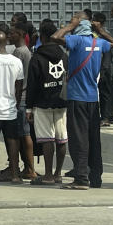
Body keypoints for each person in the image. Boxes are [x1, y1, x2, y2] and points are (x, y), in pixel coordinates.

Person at [51, 13, 113, 190]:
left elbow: (55, 37)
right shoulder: (99, 43)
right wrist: (100, 30)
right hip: (93, 99)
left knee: (79, 139)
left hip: (77, 97)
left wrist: (70, 26)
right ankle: (95, 178)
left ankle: (81, 178)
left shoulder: (76, 41)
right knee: (93, 139)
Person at [26, 20, 68, 184]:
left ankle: (48, 175)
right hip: (61, 102)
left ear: (42, 37)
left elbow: (32, 85)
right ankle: (58, 174)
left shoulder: (36, 58)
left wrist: (29, 108)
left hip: (42, 103)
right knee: (61, 137)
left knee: (47, 138)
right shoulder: (64, 55)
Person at [0, 31, 24, 183]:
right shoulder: (16, 61)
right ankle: (15, 174)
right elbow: (19, 86)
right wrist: (15, 102)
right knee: (12, 140)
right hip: (10, 108)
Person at [8, 24, 38, 180]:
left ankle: (30, 169)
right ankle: (27, 167)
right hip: (23, 97)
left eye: (12, 33)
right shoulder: (24, 51)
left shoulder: (20, 52)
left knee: (23, 134)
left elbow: (16, 79)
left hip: (21, 98)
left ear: (20, 34)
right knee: (22, 134)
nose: (9, 36)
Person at [92, 12, 113, 125]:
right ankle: (102, 116)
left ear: (99, 23)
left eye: (94, 20)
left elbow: (107, 54)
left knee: (105, 94)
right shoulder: (94, 34)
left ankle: (106, 117)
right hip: (98, 68)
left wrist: (103, 70)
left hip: (104, 68)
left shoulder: (105, 34)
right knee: (99, 93)